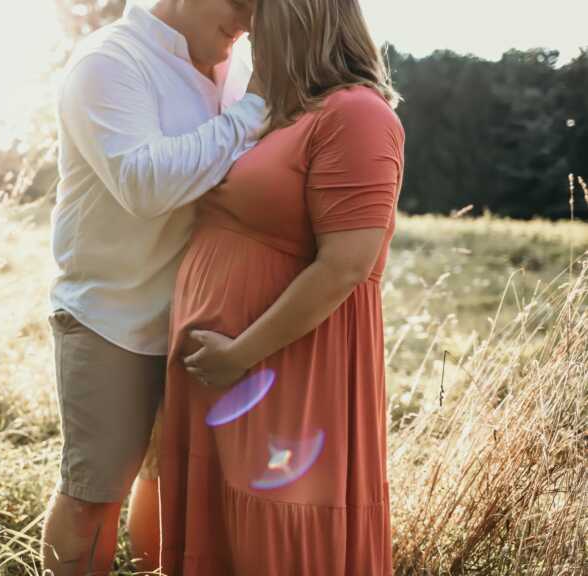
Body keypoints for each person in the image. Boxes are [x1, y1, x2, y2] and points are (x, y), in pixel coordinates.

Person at [158, 0, 405, 573]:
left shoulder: (357, 115)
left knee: (276, 536)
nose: (245, 30)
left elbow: (346, 265)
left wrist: (240, 353)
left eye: (256, 16)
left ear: (296, 20)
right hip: (230, 375)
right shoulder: (286, 115)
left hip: (286, 374)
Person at [42, 1, 267, 574]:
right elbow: (145, 184)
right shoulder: (110, 61)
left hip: (199, 323)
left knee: (170, 484)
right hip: (111, 318)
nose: (249, 18)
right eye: (240, 1)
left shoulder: (239, 64)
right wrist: (256, 111)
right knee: (94, 495)